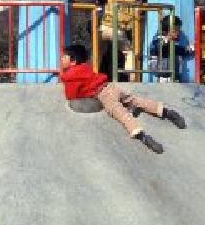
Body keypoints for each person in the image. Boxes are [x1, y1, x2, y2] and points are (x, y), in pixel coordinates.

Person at [58, 44, 186, 154]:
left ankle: (142, 136)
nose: (61, 59)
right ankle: (166, 111)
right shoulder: (85, 67)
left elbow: (71, 96)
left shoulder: (70, 76)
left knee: (121, 114)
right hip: (111, 87)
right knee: (135, 100)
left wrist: (65, 80)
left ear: (73, 61)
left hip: (103, 95)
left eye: (64, 57)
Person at [148, 14, 194, 82]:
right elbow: (157, 49)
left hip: (174, 77)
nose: (179, 33)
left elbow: (176, 49)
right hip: (163, 78)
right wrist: (167, 40)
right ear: (169, 30)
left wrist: (188, 49)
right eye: (177, 30)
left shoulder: (172, 43)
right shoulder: (158, 39)